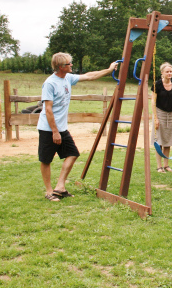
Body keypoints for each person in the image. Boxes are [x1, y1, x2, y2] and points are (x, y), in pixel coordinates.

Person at [37, 53, 118, 202]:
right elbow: (48, 110)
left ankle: (60, 187)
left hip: (61, 128)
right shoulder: (50, 83)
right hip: (48, 128)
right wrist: (55, 132)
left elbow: (90, 76)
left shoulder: (68, 78)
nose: (72, 65)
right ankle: (49, 192)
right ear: (61, 66)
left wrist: (109, 70)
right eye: (69, 64)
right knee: (46, 160)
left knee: (73, 153)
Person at [152, 62, 172, 173]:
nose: (169, 73)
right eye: (167, 71)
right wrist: (156, 118)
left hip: (171, 114)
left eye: (170, 71)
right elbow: (153, 101)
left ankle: (166, 165)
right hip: (160, 113)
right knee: (159, 140)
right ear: (162, 73)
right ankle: (159, 166)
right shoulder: (157, 85)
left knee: (168, 140)